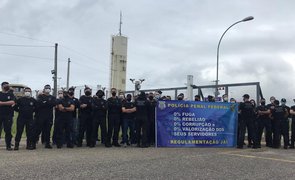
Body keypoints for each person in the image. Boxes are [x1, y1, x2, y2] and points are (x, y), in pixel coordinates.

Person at [34, 85, 56, 149]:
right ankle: (34, 142)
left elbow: (53, 103)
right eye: (46, 88)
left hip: (49, 116)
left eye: (49, 88)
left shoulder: (52, 97)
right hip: (40, 116)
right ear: (44, 89)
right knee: (38, 130)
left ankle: (47, 143)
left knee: (48, 130)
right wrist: (47, 103)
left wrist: (45, 102)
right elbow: (39, 103)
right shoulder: (40, 96)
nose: (47, 89)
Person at [0, 82, 15, 150]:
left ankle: (8, 145)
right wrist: (7, 103)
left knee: (8, 131)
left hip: (8, 115)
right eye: (5, 85)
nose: (7, 87)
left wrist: (2, 103)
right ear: (2, 86)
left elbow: (12, 102)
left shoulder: (11, 94)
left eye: (7, 85)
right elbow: (9, 102)